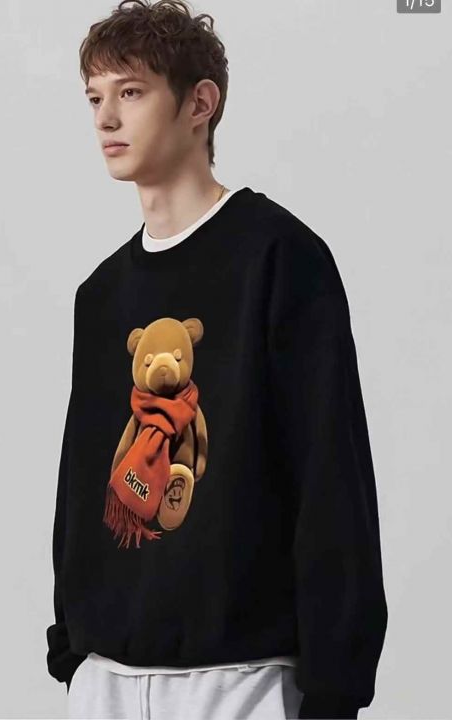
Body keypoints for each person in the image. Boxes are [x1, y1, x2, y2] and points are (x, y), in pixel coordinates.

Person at [45, 1, 388, 718]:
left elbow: (330, 474)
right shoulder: (100, 296)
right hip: (106, 678)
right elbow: (81, 479)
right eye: (94, 98)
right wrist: (72, 647)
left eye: (131, 92)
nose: (106, 119)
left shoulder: (279, 258)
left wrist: (335, 687)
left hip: (239, 677)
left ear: (200, 103)